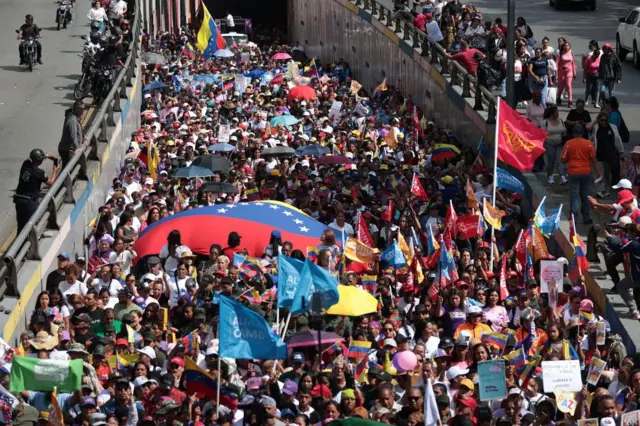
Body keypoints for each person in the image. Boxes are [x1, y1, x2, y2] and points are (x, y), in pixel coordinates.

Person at [14, 149, 60, 232]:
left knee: (21, 225)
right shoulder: (39, 173)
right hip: (29, 202)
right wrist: (55, 171)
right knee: (30, 225)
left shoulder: (25, 165)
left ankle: (20, 242)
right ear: (40, 161)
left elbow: (30, 158)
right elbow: (51, 182)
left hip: (19, 200)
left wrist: (46, 156)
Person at [561, 124, 597, 224]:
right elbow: (593, 159)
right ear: (582, 133)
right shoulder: (589, 143)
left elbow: (563, 159)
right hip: (586, 172)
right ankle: (586, 217)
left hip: (573, 172)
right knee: (585, 195)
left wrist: (570, 158)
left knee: (574, 196)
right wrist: (598, 173)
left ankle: (573, 218)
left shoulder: (568, 143)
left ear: (573, 133)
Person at [58, 101, 88, 168]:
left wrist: (83, 137)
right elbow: (73, 136)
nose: (83, 111)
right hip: (68, 150)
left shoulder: (76, 118)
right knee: (68, 169)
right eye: (81, 109)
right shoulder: (72, 121)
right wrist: (77, 147)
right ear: (77, 109)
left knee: (67, 168)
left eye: (83, 109)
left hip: (69, 149)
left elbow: (79, 129)